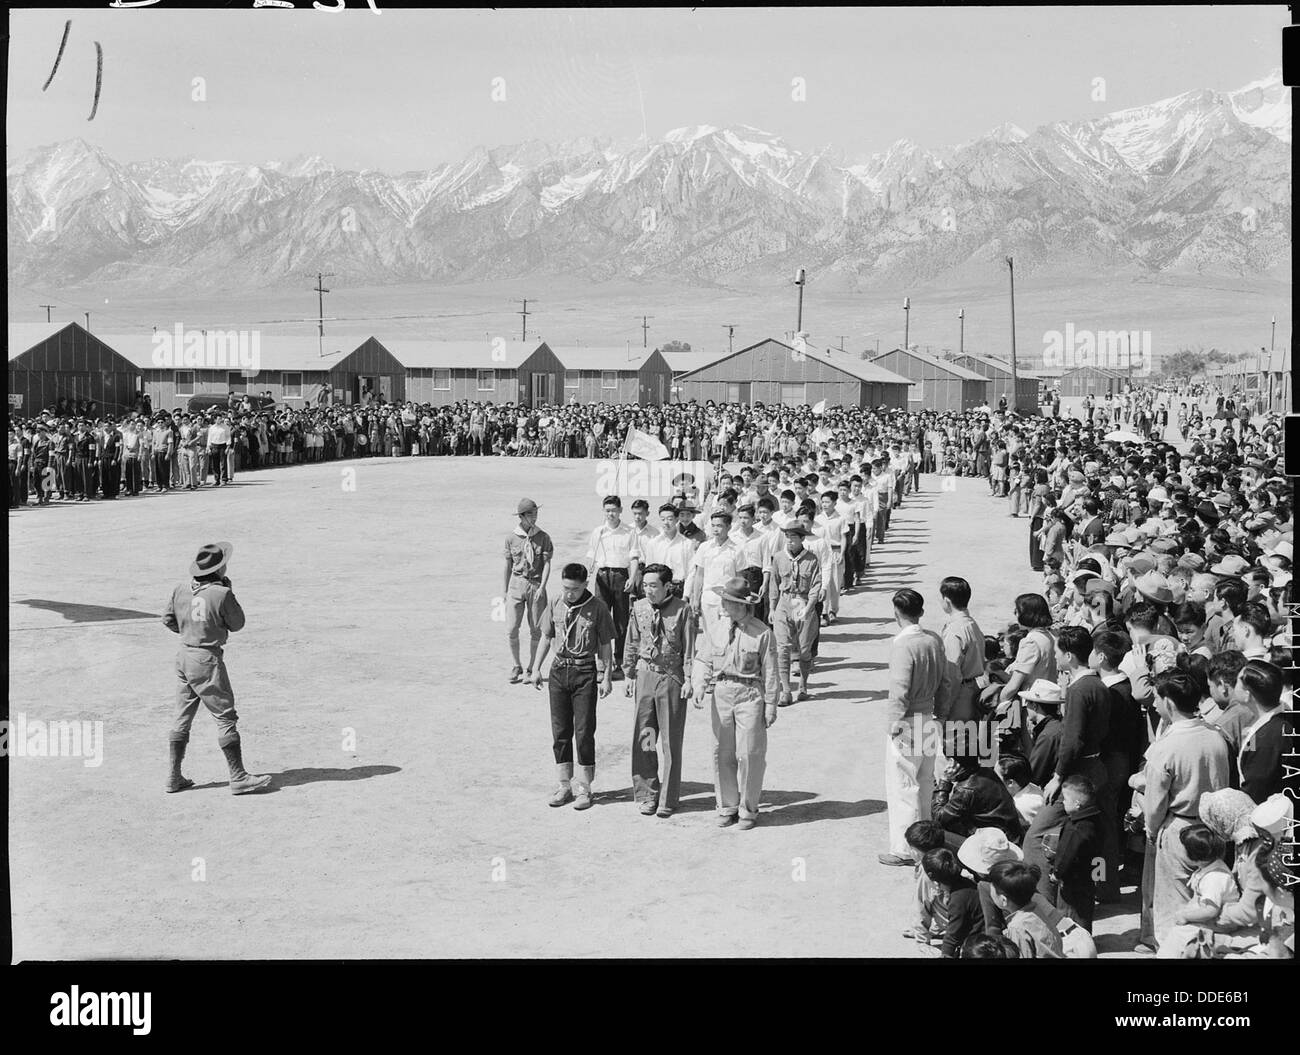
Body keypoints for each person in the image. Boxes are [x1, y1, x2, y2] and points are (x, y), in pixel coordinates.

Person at [161, 541, 272, 795]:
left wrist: (190, 630)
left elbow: (168, 619)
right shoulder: (221, 594)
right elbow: (238, 623)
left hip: (184, 655)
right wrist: (228, 594)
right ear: (220, 569)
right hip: (207, 658)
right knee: (225, 716)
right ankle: (238, 776)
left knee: (182, 717)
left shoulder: (180, 589)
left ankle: (173, 776)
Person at [1139, 669, 1232, 953]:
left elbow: (1155, 804)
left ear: (1169, 702)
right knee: (1209, 903)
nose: (1154, 704)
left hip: (1178, 829)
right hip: (1214, 827)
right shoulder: (1217, 735)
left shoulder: (1166, 746)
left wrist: (1152, 831)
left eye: (1156, 698)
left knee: (1174, 908)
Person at [530, 563, 615, 810]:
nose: (569, 593)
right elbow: (546, 636)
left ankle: (584, 788)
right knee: (560, 731)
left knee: (584, 731)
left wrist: (607, 675)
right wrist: (536, 668)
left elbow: (606, 644)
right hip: (558, 671)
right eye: (566, 587)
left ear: (585, 585)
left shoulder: (597, 608)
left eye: (575, 589)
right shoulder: (556, 601)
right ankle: (564, 785)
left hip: (585, 671)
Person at [879, 588, 955, 866]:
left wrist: (894, 723)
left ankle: (904, 848)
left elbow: (899, 689)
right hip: (929, 719)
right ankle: (926, 844)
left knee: (903, 787)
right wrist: (942, 713)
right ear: (921, 612)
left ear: (896, 613)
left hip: (907, 722)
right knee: (924, 784)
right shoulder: (933, 640)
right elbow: (946, 681)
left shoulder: (903, 645)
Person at [697, 575, 779, 830]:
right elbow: (703, 658)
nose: (723, 605)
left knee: (749, 755)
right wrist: (699, 683)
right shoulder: (717, 627)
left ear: (743, 605)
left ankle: (748, 810)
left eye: (729, 601)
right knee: (722, 752)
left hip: (750, 695)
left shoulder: (763, 633)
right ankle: (727, 806)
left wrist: (770, 705)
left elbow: (771, 671)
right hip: (722, 692)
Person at [624, 564, 694, 818]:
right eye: (645, 585)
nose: (648, 590)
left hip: (672, 678)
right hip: (645, 676)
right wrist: (629, 673)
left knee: (670, 740)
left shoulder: (683, 610)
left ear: (667, 586)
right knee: (646, 735)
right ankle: (647, 793)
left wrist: (688, 679)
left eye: (653, 585)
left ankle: (668, 798)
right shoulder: (639, 607)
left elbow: (690, 648)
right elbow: (632, 640)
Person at [1156, 824, 1241, 959]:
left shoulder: (1214, 878)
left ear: (1195, 856)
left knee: (1178, 938)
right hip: (1208, 918)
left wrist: (1186, 916)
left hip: (1216, 922)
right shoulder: (1209, 866)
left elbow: (1210, 910)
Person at [768, 522, 822, 706]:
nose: (789, 540)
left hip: (803, 602)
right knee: (782, 647)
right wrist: (772, 608)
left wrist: (809, 607)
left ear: (802, 538)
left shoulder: (812, 559)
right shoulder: (778, 558)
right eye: (787, 536)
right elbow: (774, 584)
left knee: (804, 650)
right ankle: (785, 690)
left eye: (793, 537)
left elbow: (816, 585)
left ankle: (803, 685)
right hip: (784, 602)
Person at [586, 495, 637, 680]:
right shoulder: (598, 532)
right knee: (601, 620)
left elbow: (634, 556)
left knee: (621, 622)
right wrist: (589, 572)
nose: (611, 514)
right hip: (602, 576)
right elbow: (591, 555)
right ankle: (602, 664)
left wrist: (632, 577)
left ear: (620, 510)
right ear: (603, 511)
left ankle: (620, 662)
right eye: (607, 510)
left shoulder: (629, 532)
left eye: (614, 510)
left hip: (621, 576)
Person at [503, 498, 553, 684]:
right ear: (522, 516)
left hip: (535, 585)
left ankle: (532, 668)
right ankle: (516, 665)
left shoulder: (543, 537)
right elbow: (508, 565)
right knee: (512, 628)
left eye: (536, 513)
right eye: (531, 514)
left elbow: (547, 563)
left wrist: (542, 586)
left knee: (536, 630)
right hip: (517, 584)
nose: (535, 517)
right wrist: (505, 591)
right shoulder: (511, 537)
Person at [1051, 775, 1104, 931]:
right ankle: (1086, 939)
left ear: (1077, 804)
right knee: (1086, 912)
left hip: (1072, 881)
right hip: (1090, 878)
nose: (1063, 802)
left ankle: (1073, 946)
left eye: (1065, 799)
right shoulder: (1097, 820)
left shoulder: (1075, 828)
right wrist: (1099, 877)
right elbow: (1102, 851)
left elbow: (1066, 854)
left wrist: (1057, 874)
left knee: (1068, 914)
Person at [1233, 659, 1288, 803]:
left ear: (1247, 694)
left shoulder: (1267, 739)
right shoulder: (1273, 721)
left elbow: (1255, 792)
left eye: (1238, 681)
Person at [920, 848, 983, 958]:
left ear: (930, 876)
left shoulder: (957, 900)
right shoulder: (966, 883)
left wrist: (945, 954)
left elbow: (953, 933)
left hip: (977, 942)